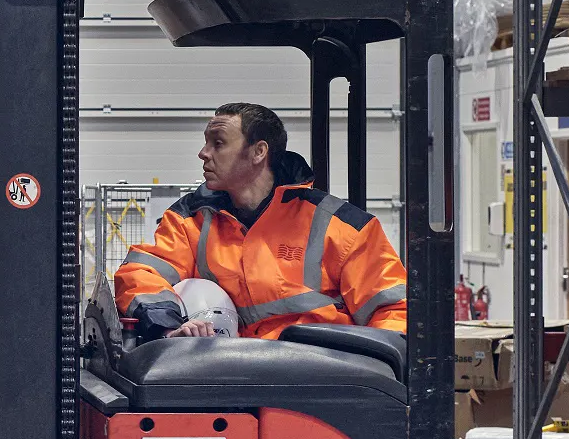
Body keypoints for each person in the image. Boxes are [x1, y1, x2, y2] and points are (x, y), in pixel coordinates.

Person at [112, 102, 407, 342]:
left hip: (322, 377)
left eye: (218, 143)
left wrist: (367, 372)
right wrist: (167, 328)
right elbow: (141, 274)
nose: (203, 153)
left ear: (258, 152)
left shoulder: (341, 226)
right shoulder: (191, 220)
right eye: (206, 143)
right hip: (229, 375)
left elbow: (394, 310)